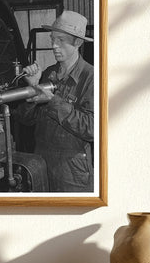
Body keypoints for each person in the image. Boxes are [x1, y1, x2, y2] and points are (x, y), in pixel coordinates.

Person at [14, 10, 94, 192]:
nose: (54, 46)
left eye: (61, 41)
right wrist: (32, 89)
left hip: (72, 171)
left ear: (78, 43)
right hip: (40, 164)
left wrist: (52, 101)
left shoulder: (91, 78)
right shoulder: (49, 74)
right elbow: (26, 120)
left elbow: (92, 128)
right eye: (52, 39)